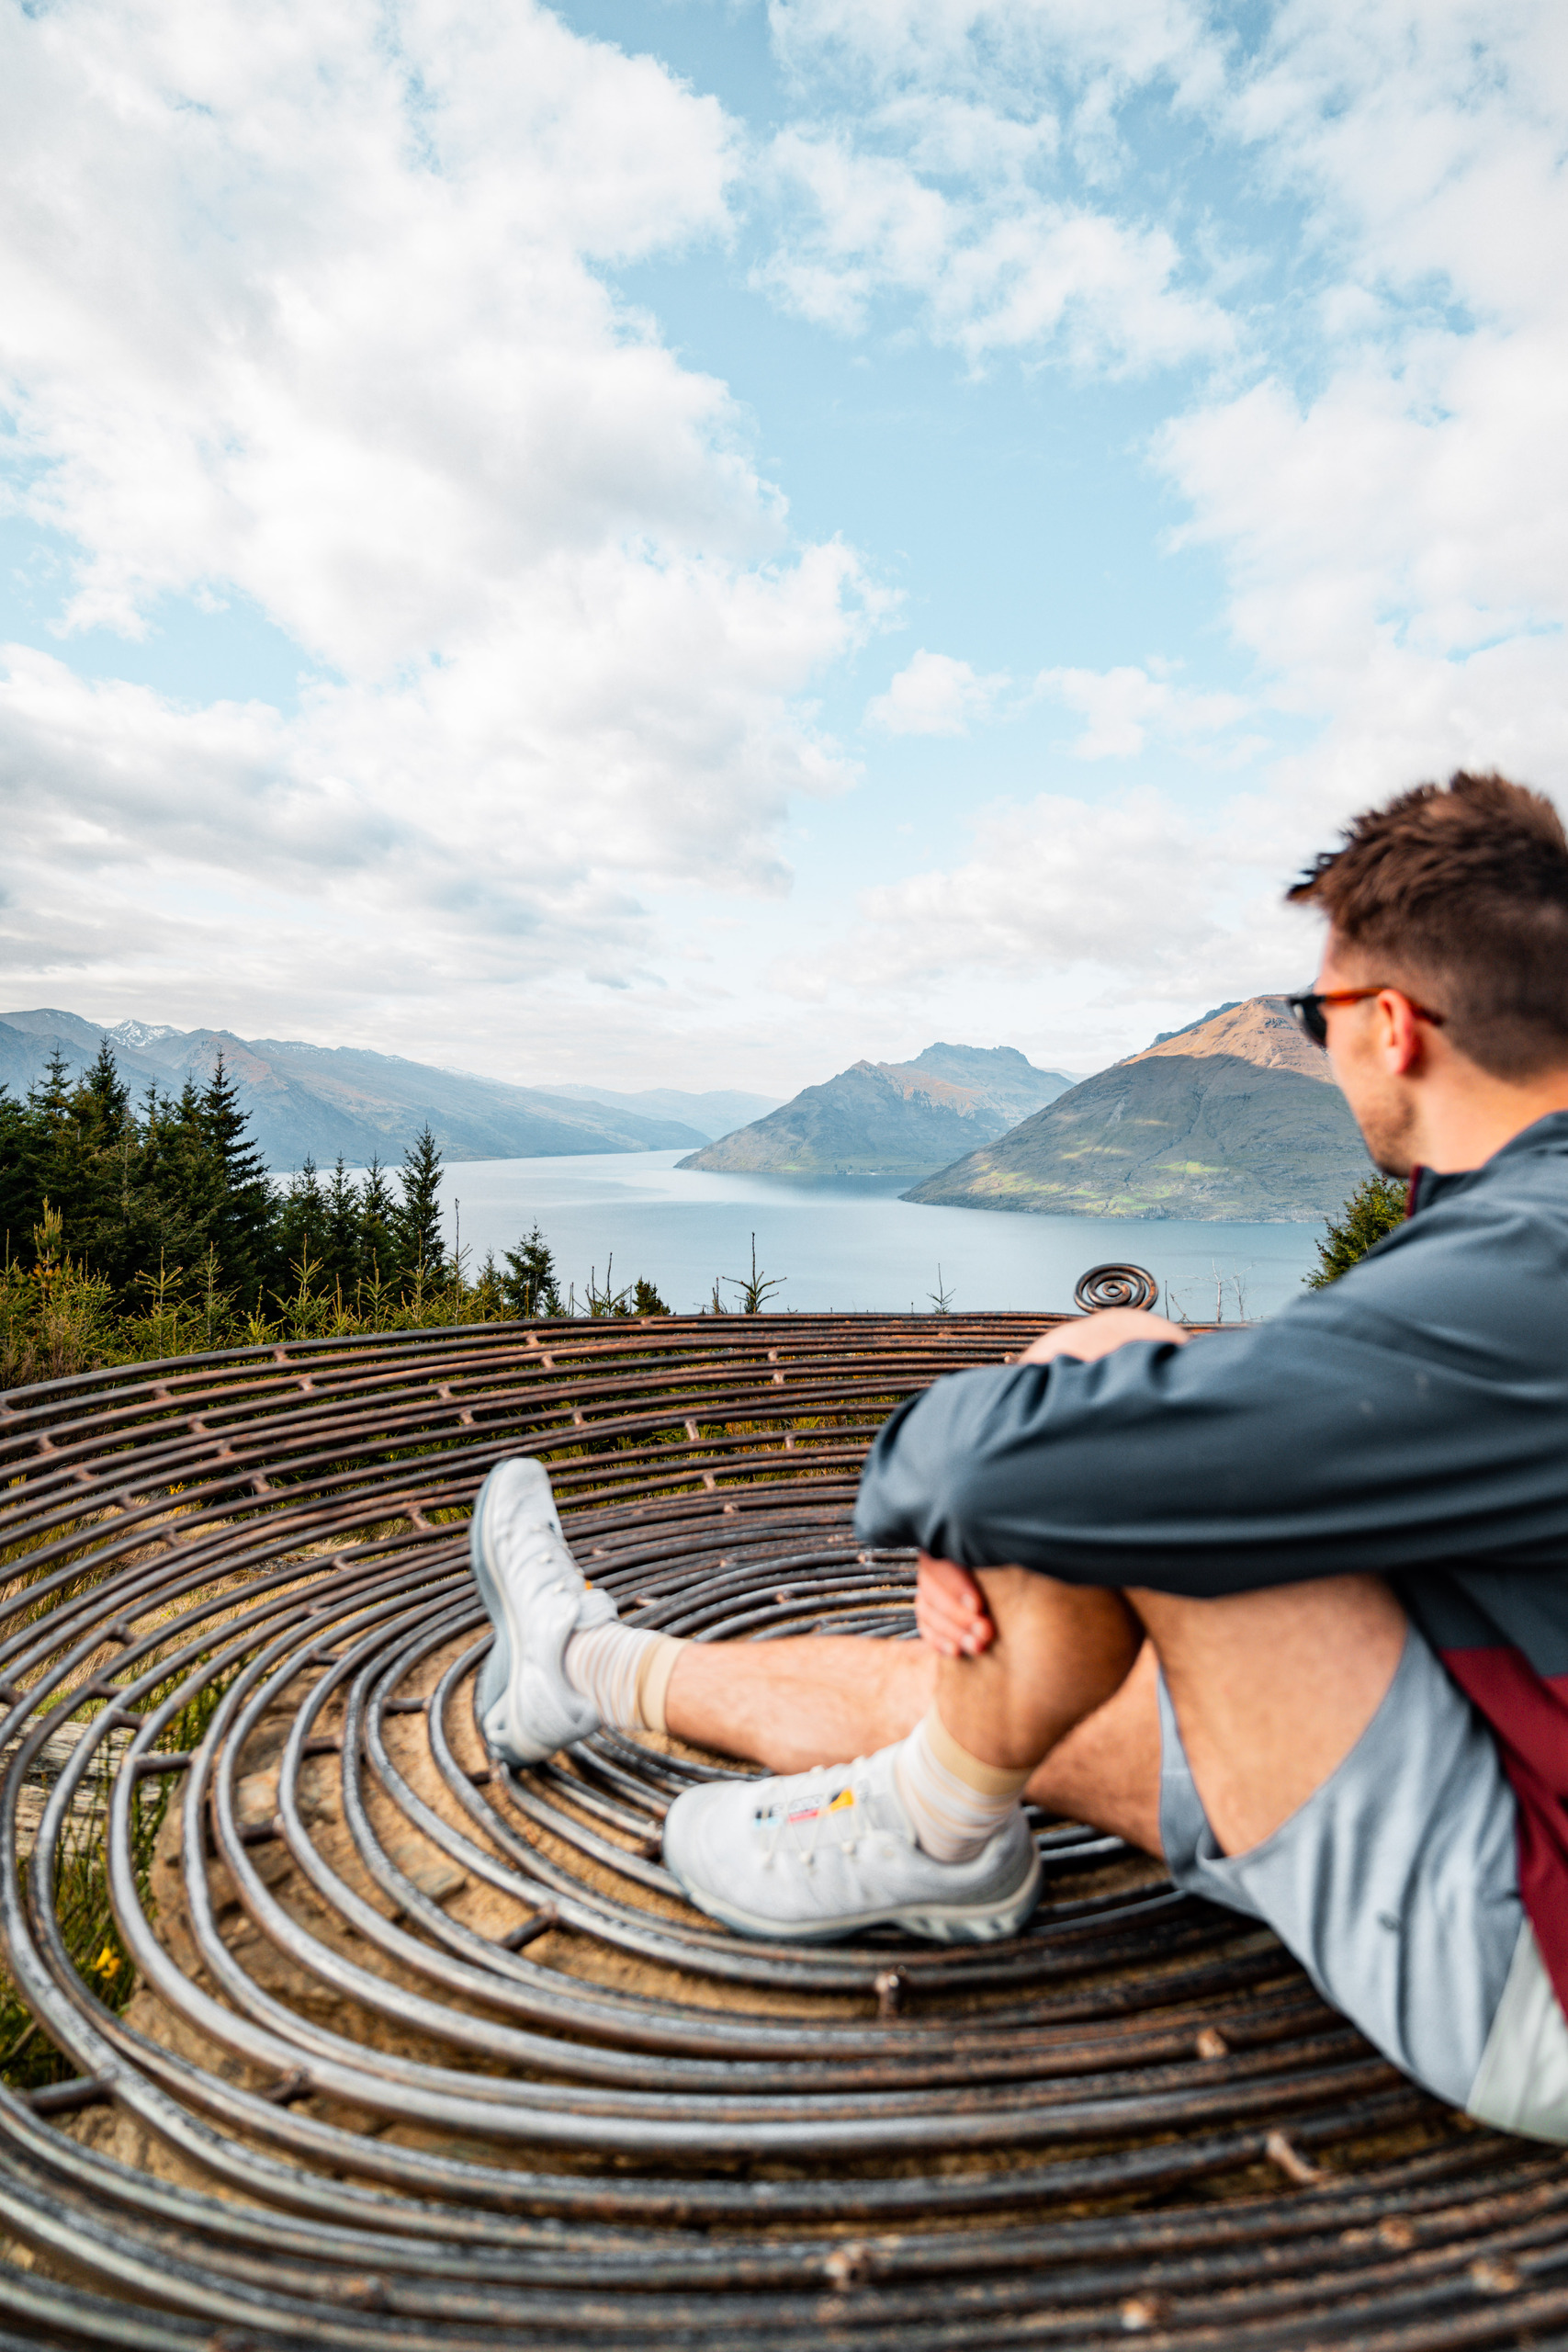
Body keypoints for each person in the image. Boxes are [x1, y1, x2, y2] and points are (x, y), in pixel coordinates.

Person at [469, 770, 1568, 2140]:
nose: (1320, 1041)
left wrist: (997, 1461)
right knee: (1030, 1679)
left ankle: (938, 1828)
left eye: (1317, 1015)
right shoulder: (1524, 1222)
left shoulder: (1539, 1260)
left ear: (1393, 1027)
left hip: (1533, 1968)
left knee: (1106, 1412)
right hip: (1505, 1747)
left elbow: (1035, 1465)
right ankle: (585, 1669)